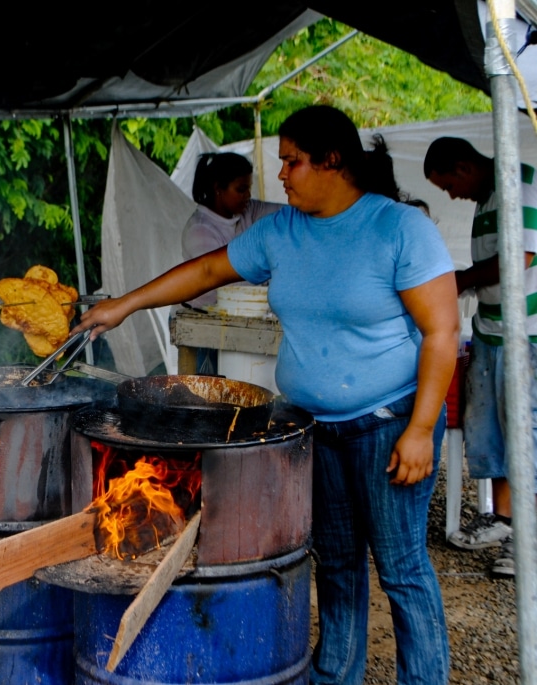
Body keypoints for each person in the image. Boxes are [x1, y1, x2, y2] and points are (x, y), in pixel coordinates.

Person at [75, 105, 459, 684]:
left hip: (389, 423)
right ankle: (335, 676)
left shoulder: (399, 228)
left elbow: (442, 333)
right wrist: (124, 305)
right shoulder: (282, 231)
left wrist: (422, 430)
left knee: (402, 569)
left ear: (332, 161)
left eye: (291, 162)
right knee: (337, 567)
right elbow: (206, 273)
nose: (280, 175)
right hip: (314, 429)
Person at [424, 136, 537, 577]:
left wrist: (462, 278)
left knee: (525, 431)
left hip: (525, 333)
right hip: (491, 331)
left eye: (449, 184)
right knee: (491, 430)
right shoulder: (486, 196)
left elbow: (521, 257)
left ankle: (528, 539)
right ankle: (505, 518)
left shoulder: (519, 184)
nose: (452, 195)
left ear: (464, 166)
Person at [182, 152, 284, 308]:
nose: (248, 195)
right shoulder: (200, 231)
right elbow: (230, 287)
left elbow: (288, 216)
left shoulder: (249, 210)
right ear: (218, 188)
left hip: (234, 315)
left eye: (249, 188)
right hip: (198, 319)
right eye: (241, 190)